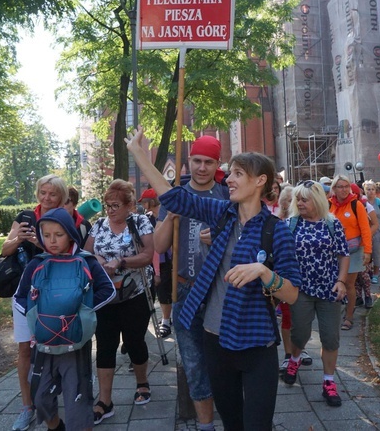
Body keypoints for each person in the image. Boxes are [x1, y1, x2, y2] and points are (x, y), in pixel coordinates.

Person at [127, 127, 301, 431]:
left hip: (256, 343)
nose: (228, 179)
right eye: (229, 172)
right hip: (214, 338)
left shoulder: (277, 231)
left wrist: (264, 273)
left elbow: (292, 295)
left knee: (258, 425)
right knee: (232, 422)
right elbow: (175, 198)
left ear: (260, 181)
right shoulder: (222, 213)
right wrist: (139, 154)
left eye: (237, 174)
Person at [13, 208, 115, 431]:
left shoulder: (85, 261)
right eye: (46, 235)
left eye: (58, 235)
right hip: (43, 346)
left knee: (77, 401)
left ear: (69, 233)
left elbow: (108, 290)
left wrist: (82, 315)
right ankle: (55, 426)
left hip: (75, 346)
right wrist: (35, 319)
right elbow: (20, 296)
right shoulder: (36, 263)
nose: (52, 241)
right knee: (40, 398)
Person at [152, 136, 227, 430]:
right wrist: (171, 214)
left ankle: (231, 414)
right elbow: (158, 247)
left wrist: (221, 234)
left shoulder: (226, 195)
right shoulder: (175, 195)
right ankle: (205, 425)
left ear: (217, 164)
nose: (202, 167)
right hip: (184, 289)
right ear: (189, 162)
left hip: (220, 290)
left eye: (209, 162)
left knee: (224, 360)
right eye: (197, 161)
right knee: (194, 363)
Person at [0, 174, 69, 431]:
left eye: (52, 194)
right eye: (43, 192)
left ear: (61, 196)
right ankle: (27, 406)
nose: (47, 198)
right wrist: (19, 239)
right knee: (24, 350)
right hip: (25, 292)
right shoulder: (26, 217)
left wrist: (40, 243)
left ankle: (57, 399)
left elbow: (68, 255)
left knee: (56, 347)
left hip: (56, 291)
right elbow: (5, 250)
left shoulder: (65, 218)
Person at [84, 179, 155, 425]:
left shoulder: (140, 222)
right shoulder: (99, 225)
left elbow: (147, 255)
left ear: (129, 206)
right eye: (107, 205)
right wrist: (99, 259)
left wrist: (121, 262)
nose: (110, 210)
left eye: (115, 205)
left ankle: (142, 382)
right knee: (105, 344)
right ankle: (105, 401)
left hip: (135, 292)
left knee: (134, 340)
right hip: (106, 295)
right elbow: (86, 253)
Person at [281, 181, 349, 408]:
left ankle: (329, 382)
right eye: (297, 199)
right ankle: (294, 359)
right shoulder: (290, 224)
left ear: (317, 200)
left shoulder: (332, 224)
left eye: (304, 199)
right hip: (301, 290)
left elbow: (343, 254)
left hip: (329, 290)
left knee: (330, 337)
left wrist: (341, 281)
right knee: (299, 333)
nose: (299, 203)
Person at [328, 176, 371, 331]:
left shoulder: (356, 204)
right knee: (334, 283)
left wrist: (367, 251)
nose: (344, 189)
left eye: (346, 186)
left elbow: (365, 229)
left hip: (353, 250)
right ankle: (334, 313)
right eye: (340, 186)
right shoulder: (328, 204)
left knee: (349, 284)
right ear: (334, 189)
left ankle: (349, 317)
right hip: (333, 252)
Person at [138, 188, 172, 337]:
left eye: (144, 202)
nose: (143, 205)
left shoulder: (166, 216)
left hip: (169, 259)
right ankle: (166, 320)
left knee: (167, 291)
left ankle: (167, 320)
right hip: (156, 260)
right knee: (161, 291)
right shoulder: (148, 218)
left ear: (151, 202)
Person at [364, 180, 380, 287]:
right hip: (365, 232)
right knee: (366, 253)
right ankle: (367, 272)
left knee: (376, 253)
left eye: (372, 189)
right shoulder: (362, 202)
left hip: (378, 232)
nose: (371, 192)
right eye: (368, 189)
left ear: (376, 190)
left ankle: (375, 274)